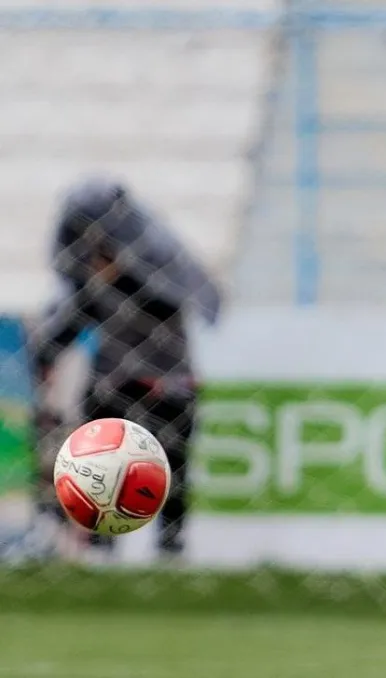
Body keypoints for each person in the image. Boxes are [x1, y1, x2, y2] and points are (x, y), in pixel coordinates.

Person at [30, 176, 222, 559]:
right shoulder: (91, 280)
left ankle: (170, 544)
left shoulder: (158, 265)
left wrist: (120, 275)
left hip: (167, 379)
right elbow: (75, 316)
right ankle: (103, 544)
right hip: (114, 380)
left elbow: (173, 301)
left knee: (170, 464)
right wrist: (47, 355)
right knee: (98, 460)